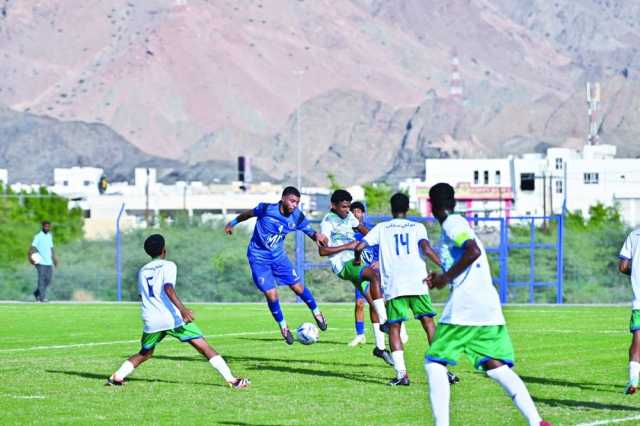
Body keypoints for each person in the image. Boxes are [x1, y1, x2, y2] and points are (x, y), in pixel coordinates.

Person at [425, 183, 549, 426]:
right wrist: (441, 277)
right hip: (487, 308)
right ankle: (537, 422)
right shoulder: (459, 224)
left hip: (465, 306)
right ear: (454, 202)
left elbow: (472, 252)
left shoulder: (452, 223)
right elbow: (467, 256)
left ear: (432, 205)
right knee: (495, 365)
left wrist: (445, 278)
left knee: (434, 362)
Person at [107, 234, 250, 389]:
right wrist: (182, 310)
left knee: (145, 353)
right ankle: (232, 380)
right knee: (203, 346)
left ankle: (117, 376)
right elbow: (168, 288)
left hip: (151, 319)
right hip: (172, 317)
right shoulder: (169, 265)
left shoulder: (142, 271)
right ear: (164, 250)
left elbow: (142, 295)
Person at [354, 193, 455, 386]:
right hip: (418, 281)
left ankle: (402, 375)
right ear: (407, 208)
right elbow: (426, 249)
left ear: (392, 209)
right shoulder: (417, 227)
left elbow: (360, 246)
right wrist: (443, 266)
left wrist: (358, 259)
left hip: (395, 284)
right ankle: (443, 371)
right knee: (428, 323)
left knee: (394, 327)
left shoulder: (381, 228)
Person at [225, 186, 329, 344]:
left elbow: (310, 232)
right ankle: (283, 327)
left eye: (297, 202)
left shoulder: (297, 217)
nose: (294, 205)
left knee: (298, 288)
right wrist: (232, 223)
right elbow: (248, 214)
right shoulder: (266, 209)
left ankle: (317, 312)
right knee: (272, 295)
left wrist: (317, 237)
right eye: (292, 201)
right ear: (283, 198)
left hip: (279, 258)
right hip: (258, 258)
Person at [318, 190, 392, 365]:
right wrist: (348, 245)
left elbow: (361, 229)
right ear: (333, 206)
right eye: (343, 207)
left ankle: (380, 348)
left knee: (375, 300)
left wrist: (374, 237)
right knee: (375, 275)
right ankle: (386, 322)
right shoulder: (328, 222)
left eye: (348, 206)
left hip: (355, 262)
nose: (347, 210)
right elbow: (322, 251)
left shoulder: (349, 216)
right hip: (343, 265)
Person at [619, 227, 640, 395]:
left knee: (637, 343)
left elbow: (623, 266)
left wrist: (635, 274)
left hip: (639, 303)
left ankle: (633, 379)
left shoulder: (634, 235)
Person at [28, 220, 58, 302]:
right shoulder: (38, 236)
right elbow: (32, 247)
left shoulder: (49, 236)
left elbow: (51, 248)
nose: (47, 228)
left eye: (48, 226)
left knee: (48, 280)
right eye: (45, 226)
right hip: (40, 262)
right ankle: (42, 298)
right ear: (42, 227)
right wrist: (30, 257)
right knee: (41, 279)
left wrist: (54, 258)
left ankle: (37, 293)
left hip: (49, 262)